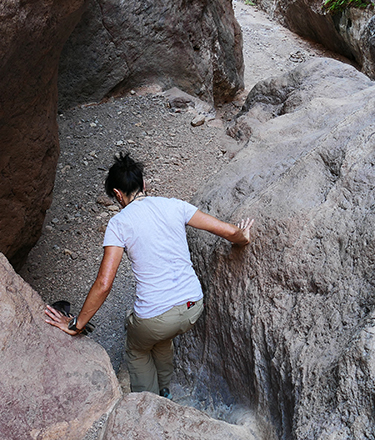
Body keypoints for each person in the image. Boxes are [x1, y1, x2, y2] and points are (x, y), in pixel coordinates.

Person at [44, 152, 254, 397]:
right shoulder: (175, 205)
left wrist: (76, 325)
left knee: (138, 347)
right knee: (160, 335)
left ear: (118, 194)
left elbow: (104, 283)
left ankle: (148, 403)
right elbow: (229, 231)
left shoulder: (119, 223)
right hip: (193, 306)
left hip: (156, 318)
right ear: (144, 184)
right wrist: (243, 236)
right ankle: (165, 389)